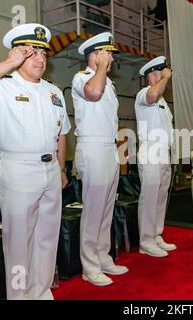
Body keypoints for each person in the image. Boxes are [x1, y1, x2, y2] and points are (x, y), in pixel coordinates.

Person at [0, 23, 71, 300]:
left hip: (50, 170)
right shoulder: (2, 86)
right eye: (31, 52)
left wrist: (60, 168)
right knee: (19, 242)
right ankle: (20, 296)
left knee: (47, 238)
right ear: (17, 55)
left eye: (43, 53)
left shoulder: (54, 92)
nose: (40, 59)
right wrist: (9, 62)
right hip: (19, 171)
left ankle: (42, 290)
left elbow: (61, 135)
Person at [72, 32, 128, 287]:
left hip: (108, 148)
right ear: (94, 55)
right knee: (93, 210)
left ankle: (103, 257)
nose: (112, 58)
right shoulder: (82, 78)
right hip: (92, 149)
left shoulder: (110, 83)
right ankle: (89, 266)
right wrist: (101, 68)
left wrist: (103, 69)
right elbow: (93, 94)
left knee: (106, 208)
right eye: (107, 53)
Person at [135, 56, 176, 258]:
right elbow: (153, 95)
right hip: (150, 149)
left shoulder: (164, 103)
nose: (166, 74)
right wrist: (165, 79)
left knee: (161, 196)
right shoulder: (145, 94)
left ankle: (156, 234)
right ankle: (146, 240)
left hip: (163, 150)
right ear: (153, 74)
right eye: (162, 72)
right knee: (149, 197)